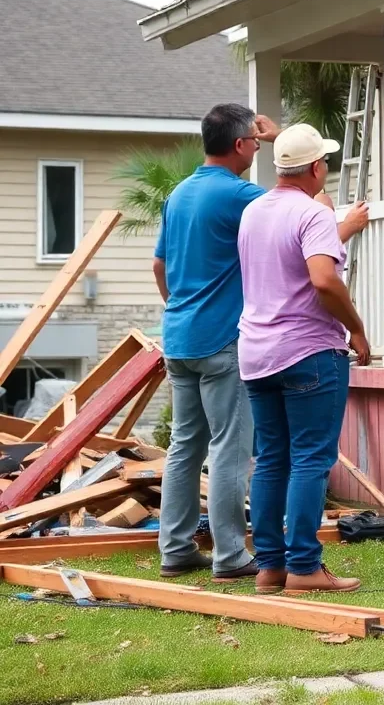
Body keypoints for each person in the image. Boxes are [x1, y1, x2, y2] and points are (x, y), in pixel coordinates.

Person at [237, 123, 372, 594]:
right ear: (316, 168)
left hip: (256, 352)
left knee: (272, 458)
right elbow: (324, 280)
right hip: (309, 351)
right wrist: (355, 328)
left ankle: (270, 566)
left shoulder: (253, 211)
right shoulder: (312, 213)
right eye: (325, 163)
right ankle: (304, 567)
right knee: (311, 459)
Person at [153, 103, 280, 581]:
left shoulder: (179, 194)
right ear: (244, 144)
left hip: (179, 339)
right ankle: (230, 556)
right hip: (223, 342)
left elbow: (159, 267)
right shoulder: (241, 194)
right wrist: (282, 138)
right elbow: (298, 210)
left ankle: (176, 549)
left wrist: (181, 309)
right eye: (254, 138)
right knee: (230, 446)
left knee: (185, 445)